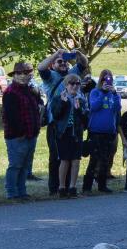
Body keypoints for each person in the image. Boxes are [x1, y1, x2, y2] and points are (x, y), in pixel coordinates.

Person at [38, 49, 89, 195]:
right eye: (59, 62)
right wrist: (56, 54)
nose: (63, 64)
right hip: (56, 123)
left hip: (73, 125)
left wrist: (78, 54)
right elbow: (41, 67)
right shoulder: (49, 76)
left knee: (72, 158)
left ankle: (69, 186)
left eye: (65, 61)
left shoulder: (72, 74)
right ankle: (55, 188)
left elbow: (83, 64)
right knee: (56, 157)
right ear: (53, 64)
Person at [2, 61, 41, 200]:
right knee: (15, 165)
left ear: (30, 75)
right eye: (19, 73)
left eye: (26, 73)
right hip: (16, 136)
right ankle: (12, 192)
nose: (22, 76)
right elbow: (10, 116)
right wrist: (20, 133)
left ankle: (22, 191)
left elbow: (39, 106)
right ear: (14, 75)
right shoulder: (10, 92)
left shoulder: (31, 90)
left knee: (25, 165)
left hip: (31, 134)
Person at [48, 73, 89, 198]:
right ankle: (61, 187)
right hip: (63, 133)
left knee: (76, 161)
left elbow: (85, 120)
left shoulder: (81, 99)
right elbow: (56, 115)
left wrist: (78, 109)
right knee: (64, 160)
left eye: (77, 83)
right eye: (72, 83)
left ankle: (72, 187)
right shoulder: (58, 98)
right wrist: (63, 103)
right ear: (66, 85)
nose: (75, 86)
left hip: (76, 133)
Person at [82, 69, 120, 194]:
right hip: (96, 131)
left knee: (105, 159)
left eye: (109, 79)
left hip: (109, 131)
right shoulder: (95, 92)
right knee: (94, 158)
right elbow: (94, 107)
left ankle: (102, 184)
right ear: (100, 80)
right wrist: (103, 93)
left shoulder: (113, 94)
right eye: (104, 79)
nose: (106, 81)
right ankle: (87, 186)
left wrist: (114, 94)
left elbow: (116, 108)